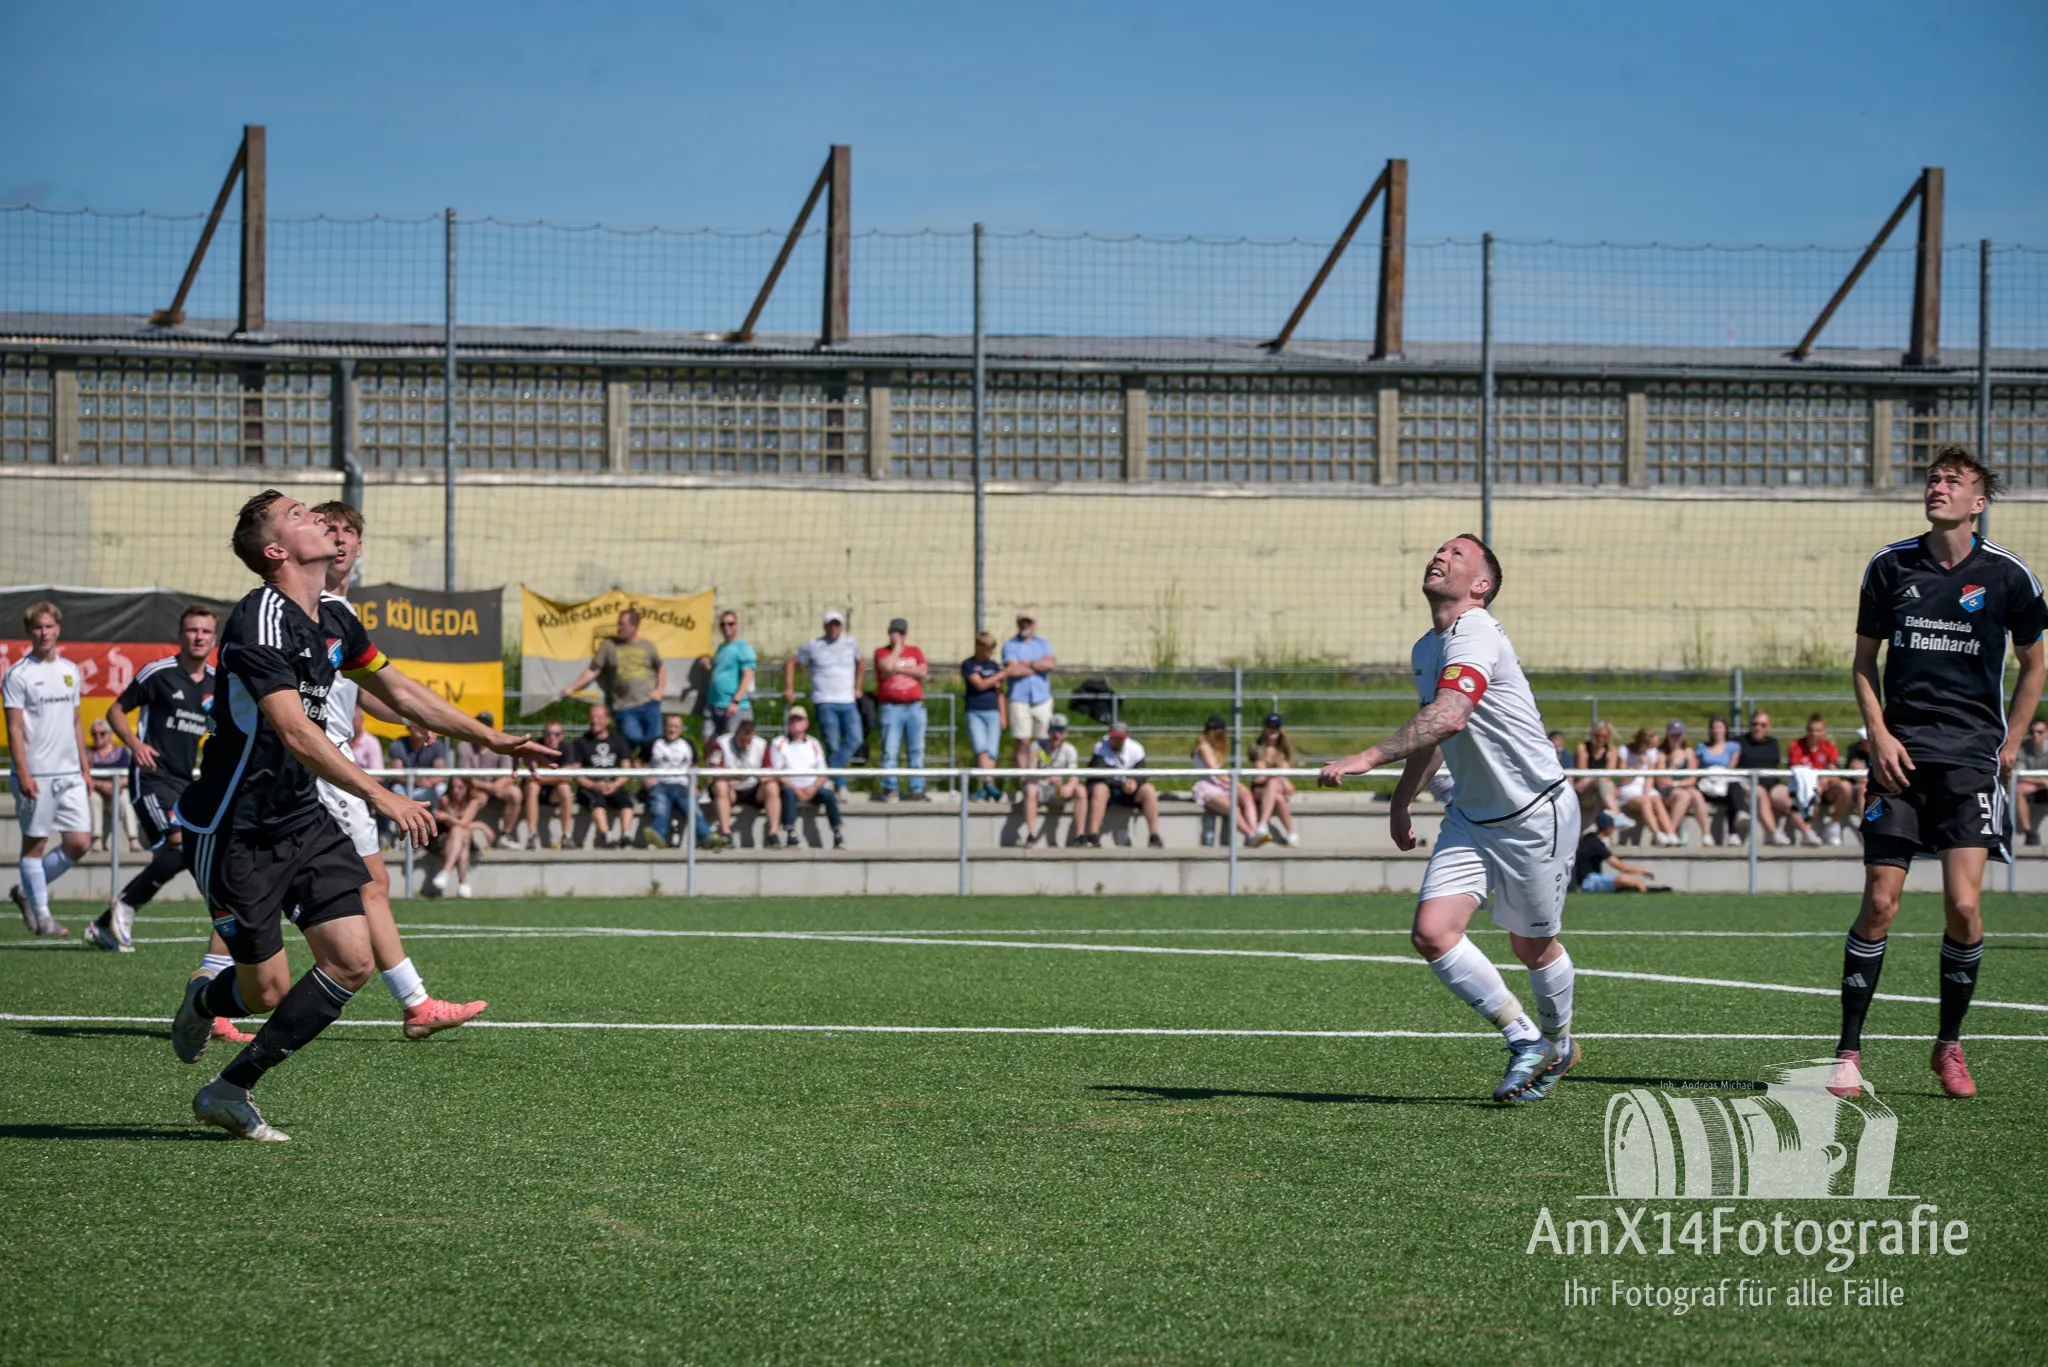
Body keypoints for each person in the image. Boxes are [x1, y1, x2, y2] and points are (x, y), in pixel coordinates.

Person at [167, 490, 554, 1141]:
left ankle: (230, 1087)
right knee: (264, 990)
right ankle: (204, 999)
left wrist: (493, 739)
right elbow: (295, 730)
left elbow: (400, 691)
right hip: (237, 830)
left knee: (351, 960)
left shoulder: (336, 618)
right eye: (299, 514)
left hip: (302, 817)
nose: (319, 517)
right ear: (276, 551)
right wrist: (381, 794)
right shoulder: (259, 618)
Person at [1318, 534, 1580, 1105]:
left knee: (1532, 948)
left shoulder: (1477, 630)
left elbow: (1452, 715)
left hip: (1535, 813)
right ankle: (1524, 1039)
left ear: (1481, 585)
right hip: (1471, 817)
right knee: (1432, 934)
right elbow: (1434, 729)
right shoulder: (1426, 647)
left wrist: (1366, 757)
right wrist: (1401, 799)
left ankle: (1560, 1045)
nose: (1441, 556)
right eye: (1440, 550)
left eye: (1458, 554)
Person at [1833, 445, 2047, 1101]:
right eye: (1933, 478)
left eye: (1953, 481)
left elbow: (2035, 664)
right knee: (1879, 903)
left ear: (1978, 502)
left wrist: (2011, 742)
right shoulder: (1890, 565)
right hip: (1898, 758)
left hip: (1969, 760)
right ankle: (1848, 1052)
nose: (1938, 486)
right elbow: (1863, 663)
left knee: (1964, 907)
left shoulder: (2010, 575)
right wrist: (1878, 735)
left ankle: (1948, 1044)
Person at [92, 604, 221, 948]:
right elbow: (115, 710)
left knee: (180, 854)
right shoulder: (159, 673)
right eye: (192, 630)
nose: (198, 637)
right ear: (180, 636)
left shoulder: (216, 683)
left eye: (205, 632)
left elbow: (218, 729)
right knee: (180, 844)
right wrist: (135, 745)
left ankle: (105, 924)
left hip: (184, 782)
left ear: (214, 639)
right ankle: (124, 906)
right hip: (150, 777)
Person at [5, 601, 92, 938]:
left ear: (58, 629)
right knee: (35, 844)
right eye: (37, 627)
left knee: (80, 842)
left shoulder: (71, 670)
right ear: (29, 632)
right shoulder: (18, 675)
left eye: (49, 626)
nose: (44, 633)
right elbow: (14, 729)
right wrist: (24, 773)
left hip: (70, 773)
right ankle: (42, 916)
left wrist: (85, 768)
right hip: (37, 775)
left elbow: (75, 721)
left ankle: (26, 891)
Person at [559, 608, 665, 760]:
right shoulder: (609, 645)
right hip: (624, 706)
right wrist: (572, 688)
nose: (618, 628)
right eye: (618, 624)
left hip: (649, 703)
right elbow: (593, 670)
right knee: (633, 737)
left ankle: (642, 766)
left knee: (655, 741)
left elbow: (660, 668)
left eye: (622, 624)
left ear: (634, 626)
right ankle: (632, 762)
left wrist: (659, 691)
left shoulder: (647, 646)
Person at [785, 610, 862, 794]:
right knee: (832, 745)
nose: (834, 627)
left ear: (841, 626)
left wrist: (858, 687)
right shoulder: (814, 645)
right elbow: (792, 662)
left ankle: (826, 774)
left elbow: (861, 664)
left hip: (848, 701)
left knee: (856, 739)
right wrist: (789, 687)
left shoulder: (851, 644)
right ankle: (840, 785)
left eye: (837, 624)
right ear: (825, 626)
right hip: (824, 700)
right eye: (830, 624)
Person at [767, 705, 844, 850]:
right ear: (787, 723)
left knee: (829, 795)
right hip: (790, 787)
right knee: (788, 793)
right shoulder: (778, 743)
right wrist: (796, 789)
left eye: (799, 720)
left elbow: (822, 772)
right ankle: (791, 833)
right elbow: (778, 773)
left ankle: (837, 833)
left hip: (812, 788)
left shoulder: (814, 743)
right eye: (792, 720)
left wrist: (813, 787)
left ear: (806, 723)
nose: (795, 723)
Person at [645, 711, 722, 850]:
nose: (672, 730)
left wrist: (694, 784)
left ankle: (707, 837)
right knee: (660, 806)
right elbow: (640, 761)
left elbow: (695, 765)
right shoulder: (655, 743)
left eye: (676, 726)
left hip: (682, 786)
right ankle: (658, 835)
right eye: (670, 726)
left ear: (681, 728)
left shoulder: (688, 744)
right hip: (660, 784)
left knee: (693, 810)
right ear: (664, 727)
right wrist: (646, 778)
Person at [1079, 720, 1162, 849]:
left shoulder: (1136, 749)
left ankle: (1154, 835)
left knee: (1149, 789)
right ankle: (1093, 835)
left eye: (1120, 738)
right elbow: (1097, 774)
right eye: (1114, 737)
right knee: (1099, 788)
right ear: (1109, 736)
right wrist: (1120, 784)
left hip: (1130, 792)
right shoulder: (1100, 748)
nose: (1117, 741)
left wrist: (1134, 782)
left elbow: (1142, 773)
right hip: (1108, 791)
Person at [874, 617, 930, 803]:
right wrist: (897, 649)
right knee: (890, 750)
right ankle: (890, 788)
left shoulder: (915, 651)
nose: (897, 636)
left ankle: (917, 789)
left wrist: (898, 669)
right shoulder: (881, 652)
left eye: (901, 633)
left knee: (916, 750)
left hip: (915, 707)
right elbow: (886, 667)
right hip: (891, 707)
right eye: (894, 632)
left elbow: (923, 672)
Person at [1191, 714, 1267, 847]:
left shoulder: (1215, 748)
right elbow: (1215, 772)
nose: (1213, 733)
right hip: (1207, 787)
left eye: (1216, 730)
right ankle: (1250, 835)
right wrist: (1234, 783)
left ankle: (1255, 832)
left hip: (1219, 785)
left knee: (1246, 796)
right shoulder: (1204, 747)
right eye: (1211, 730)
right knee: (1233, 807)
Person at [568, 703, 635, 848]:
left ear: (608, 720)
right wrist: (593, 785)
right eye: (592, 717)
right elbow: (576, 773)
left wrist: (615, 784)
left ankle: (626, 834)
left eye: (598, 717)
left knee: (626, 800)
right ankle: (606, 835)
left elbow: (627, 769)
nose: (594, 721)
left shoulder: (619, 741)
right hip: (590, 787)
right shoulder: (580, 743)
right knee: (596, 801)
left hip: (613, 785)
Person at [1002, 610, 1057, 784]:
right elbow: (1013, 670)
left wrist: (1029, 664)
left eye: (1028, 621)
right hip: (1019, 699)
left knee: (1044, 741)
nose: (1025, 625)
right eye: (1022, 621)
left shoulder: (1043, 644)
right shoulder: (1010, 645)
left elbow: (1051, 664)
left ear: (1034, 624)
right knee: (1023, 741)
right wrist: (1038, 667)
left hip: (1042, 699)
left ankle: (1043, 776)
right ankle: (1024, 780)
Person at [454, 710, 521, 847]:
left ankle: (505, 835)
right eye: (480, 724)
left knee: (515, 793)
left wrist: (497, 786)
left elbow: (510, 775)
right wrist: (489, 787)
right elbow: (466, 777)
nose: (483, 728)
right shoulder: (464, 746)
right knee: (470, 794)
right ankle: (464, 833)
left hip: (496, 788)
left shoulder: (501, 745)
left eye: (486, 725)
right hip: (474, 789)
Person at [1787, 713, 1852, 846]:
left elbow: (1834, 771)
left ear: (1824, 731)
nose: (1814, 734)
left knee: (1846, 786)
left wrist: (1826, 778)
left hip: (1826, 788)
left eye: (1818, 730)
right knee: (1815, 788)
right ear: (1806, 730)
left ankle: (1834, 825)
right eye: (1811, 730)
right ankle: (1808, 829)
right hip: (1805, 789)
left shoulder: (1829, 746)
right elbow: (1797, 772)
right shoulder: (1796, 746)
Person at [1021, 714, 1083, 848]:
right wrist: (1047, 777)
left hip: (1058, 790)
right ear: (1048, 731)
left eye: (1060, 731)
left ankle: (1080, 835)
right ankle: (1031, 834)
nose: (1056, 734)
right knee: (1030, 789)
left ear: (1065, 733)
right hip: (1040, 789)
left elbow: (1074, 775)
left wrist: (1069, 786)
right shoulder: (1037, 746)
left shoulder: (1069, 750)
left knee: (1080, 790)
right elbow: (1030, 775)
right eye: (1054, 730)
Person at [961, 631, 1007, 802]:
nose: (990, 653)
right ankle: (990, 785)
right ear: (978, 647)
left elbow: (999, 693)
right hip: (975, 711)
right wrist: (1002, 674)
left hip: (993, 711)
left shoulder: (994, 666)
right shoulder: (969, 665)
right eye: (987, 649)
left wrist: (1003, 715)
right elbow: (980, 684)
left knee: (992, 750)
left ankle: (987, 788)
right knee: (981, 747)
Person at [709, 715, 770, 843]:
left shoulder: (762, 744)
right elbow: (714, 768)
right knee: (720, 785)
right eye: (742, 740)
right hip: (730, 787)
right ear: (736, 733)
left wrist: (759, 776)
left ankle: (773, 834)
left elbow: (769, 771)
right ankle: (726, 833)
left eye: (749, 741)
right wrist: (733, 777)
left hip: (753, 787)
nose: (745, 744)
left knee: (772, 787)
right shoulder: (721, 743)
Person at [1736, 711, 1793, 845]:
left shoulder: (1773, 743)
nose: (1758, 728)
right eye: (1754, 724)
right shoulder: (1739, 742)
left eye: (1763, 725)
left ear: (1769, 727)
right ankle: (1773, 832)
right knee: (1760, 793)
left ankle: (1807, 832)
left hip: (1771, 785)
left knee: (1790, 798)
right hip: (1747, 785)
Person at [1616, 726, 1678, 847]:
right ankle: (1657, 834)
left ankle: (1670, 833)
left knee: (1656, 800)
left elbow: (1650, 776)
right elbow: (1623, 779)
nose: (1651, 748)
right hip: (1628, 788)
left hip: (1644, 786)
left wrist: (1646, 792)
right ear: (1643, 743)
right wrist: (1638, 766)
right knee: (1646, 802)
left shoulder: (1652, 752)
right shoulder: (1624, 751)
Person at [702, 609, 756, 742]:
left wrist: (735, 701)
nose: (726, 627)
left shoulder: (743, 647)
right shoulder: (721, 647)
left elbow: (748, 675)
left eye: (730, 624)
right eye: (723, 624)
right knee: (708, 741)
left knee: (736, 743)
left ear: (737, 625)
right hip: (714, 703)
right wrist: (707, 667)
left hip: (734, 706)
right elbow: (719, 673)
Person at [520, 719, 575, 849]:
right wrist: (558, 777)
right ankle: (532, 835)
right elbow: (531, 776)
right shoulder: (534, 747)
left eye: (557, 734)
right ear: (543, 734)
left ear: (562, 736)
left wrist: (542, 778)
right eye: (549, 733)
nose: (552, 737)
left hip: (553, 793)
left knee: (565, 789)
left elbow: (568, 777)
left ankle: (566, 835)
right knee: (532, 788)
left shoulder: (567, 748)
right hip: (536, 792)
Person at [1572, 812, 1659, 893]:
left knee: (1628, 883)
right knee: (1633, 881)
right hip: (1589, 881)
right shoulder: (1596, 844)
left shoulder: (1589, 838)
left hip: (1586, 880)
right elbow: (1622, 867)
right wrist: (1643, 871)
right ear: (1608, 828)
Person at [1248, 713, 1301, 846]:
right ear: (1265, 728)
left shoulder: (1284, 750)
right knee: (1276, 791)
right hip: (1260, 789)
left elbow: (1286, 782)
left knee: (1277, 793)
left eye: (1276, 727)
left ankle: (1263, 824)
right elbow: (1259, 778)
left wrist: (1277, 777)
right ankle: (1291, 833)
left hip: (1278, 788)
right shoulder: (1257, 748)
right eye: (1270, 727)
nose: (1273, 730)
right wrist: (1278, 777)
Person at [1692, 715, 1746, 845]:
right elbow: (1695, 767)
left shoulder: (1733, 747)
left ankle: (1734, 832)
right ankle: (1707, 835)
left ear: (1725, 729)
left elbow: (1731, 767)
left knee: (1734, 787)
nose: (1717, 731)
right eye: (1715, 728)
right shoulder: (1702, 747)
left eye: (1720, 727)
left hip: (1723, 780)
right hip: (1706, 783)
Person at [85, 718, 135, 852]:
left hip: (117, 791)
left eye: (102, 733)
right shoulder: (87, 754)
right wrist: (101, 785)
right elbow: (83, 777)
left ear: (110, 735)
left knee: (125, 798)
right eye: (94, 734)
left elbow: (128, 777)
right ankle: (97, 839)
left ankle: (133, 839)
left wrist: (115, 786)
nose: (98, 737)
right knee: (93, 798)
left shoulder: (122, 753)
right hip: (97, 792)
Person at [1656, 720, 1709, 846]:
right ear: (1668, 735)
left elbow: (1692, 779)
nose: (1676, 739)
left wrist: (1676, 784)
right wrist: (1674, 764)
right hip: (1666, 793)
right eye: (1673, 735)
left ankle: (1707, 834)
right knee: (1684, 795)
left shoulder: (1688, 752)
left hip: (1680, 787)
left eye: (1679, 735)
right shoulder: (1662, 754)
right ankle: (1671, 832)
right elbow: (1661, 780)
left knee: (1696, 794)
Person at [430, 776, 479, 899]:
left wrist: (448, 817)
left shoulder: (472, 802)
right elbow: (438, 820)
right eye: (452, 787)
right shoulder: (445, 799)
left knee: (461, 832)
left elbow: (464, 822)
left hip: (461, 839)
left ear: (467, 788)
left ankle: (446, 872)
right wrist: (445, 809)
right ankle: (463, 882)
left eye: (460, 787)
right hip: (442, 838)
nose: (455, 791)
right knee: (461, 834)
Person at [1573, 721, 1628, 830]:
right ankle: (1619, 817)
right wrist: (1596, 778)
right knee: (1605, 784)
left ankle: (1614, 822)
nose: (1601, 739)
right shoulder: (1583, 748)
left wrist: (1593, 777)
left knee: (1605, 784)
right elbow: (1583, 775)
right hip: (1585, 791)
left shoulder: (1612, 750)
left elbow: (1608, 775)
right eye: (1598, 735)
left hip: (1601, 789)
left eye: (1604, 736)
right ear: (1593, 734)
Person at [386, 720, 450, 807]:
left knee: (442, 788)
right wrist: (416, 780)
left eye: (421, 724)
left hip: (428, 786)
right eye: (415, 724)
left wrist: (427, 781)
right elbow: (396, 775)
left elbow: (441, 775)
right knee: (397, 788)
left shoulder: (437, 745)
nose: (418, 727)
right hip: (404, 787)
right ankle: (402, 814)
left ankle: (439, 814)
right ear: (408, 727)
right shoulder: (398, 745)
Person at [2015, 717, 2048, 845]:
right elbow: (2019, 775)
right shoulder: (2022, 749)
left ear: (2046, 733)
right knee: (2019, 789)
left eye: (2040, 732)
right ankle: (2029, 833)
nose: (2035, 735)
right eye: (2032, 732)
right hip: (2034, 788)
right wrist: (2042, 783)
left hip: (2039, 786)